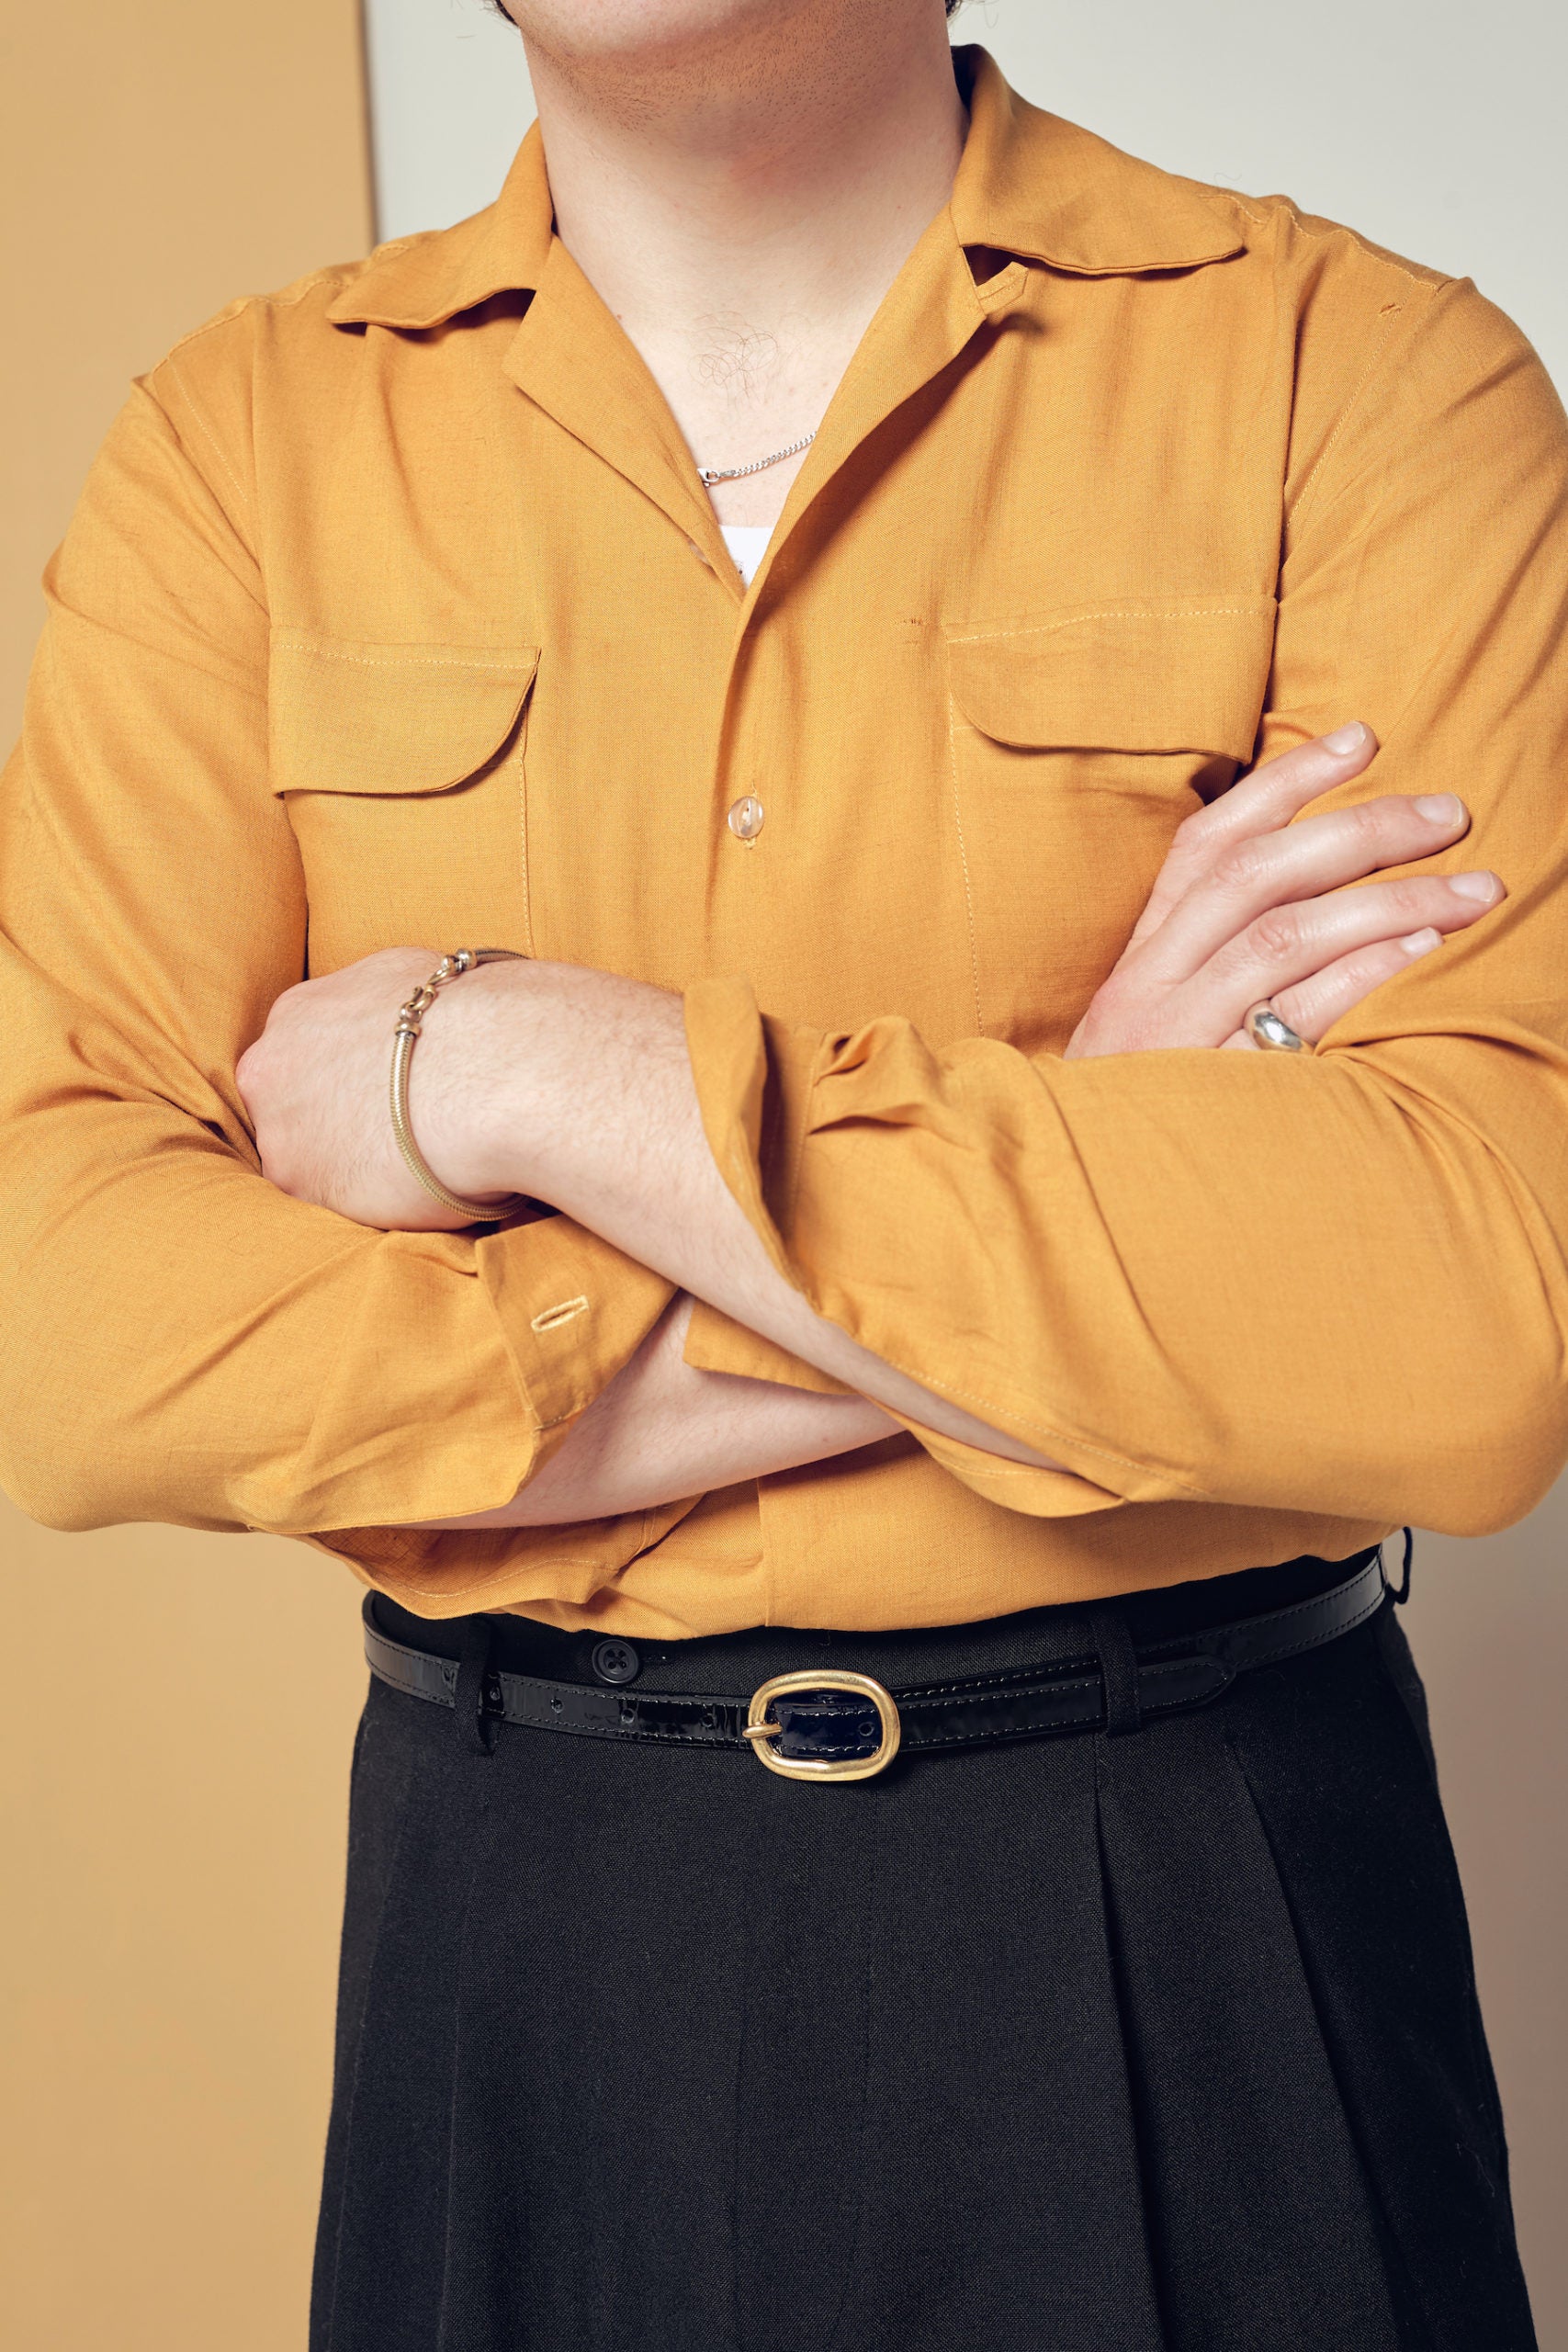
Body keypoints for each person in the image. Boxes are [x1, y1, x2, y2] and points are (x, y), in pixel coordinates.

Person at [1, 0, 1562, 2341]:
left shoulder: (1362, 383)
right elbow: (77, 1328)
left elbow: (1465, 1317)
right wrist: (1095, 1130)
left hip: (1185, 1903)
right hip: (512, 1934)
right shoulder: (239, 451)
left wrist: (533, 1068)